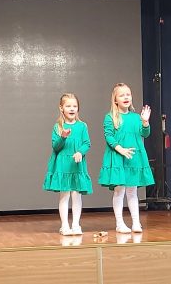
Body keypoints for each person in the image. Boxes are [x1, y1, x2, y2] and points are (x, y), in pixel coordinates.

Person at [98, 82, 155, 233]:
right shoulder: (110, 117)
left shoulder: (136, 118)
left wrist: (145, 122)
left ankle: (136, 222)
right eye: (122, 95)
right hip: (118, 157)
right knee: (119, 191)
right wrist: (121, 149)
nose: (126, 97)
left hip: (133, 158)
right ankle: (120, 223)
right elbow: (109, 137)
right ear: (115, 99)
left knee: (132, 191)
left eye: (128, 94)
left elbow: (145, 133)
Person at [43, 93, 93, 235]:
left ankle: (76, 224)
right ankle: (64, 225)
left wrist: (80, 152)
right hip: (63, 165)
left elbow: (87, 143)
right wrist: (63, 137)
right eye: (68, 106)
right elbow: (56, 147)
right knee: (64, 195)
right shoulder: (58, 126)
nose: (72, 109)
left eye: (74, 106)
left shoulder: (82, 126)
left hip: (77, 165)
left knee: (76, 195)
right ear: (61, 108)